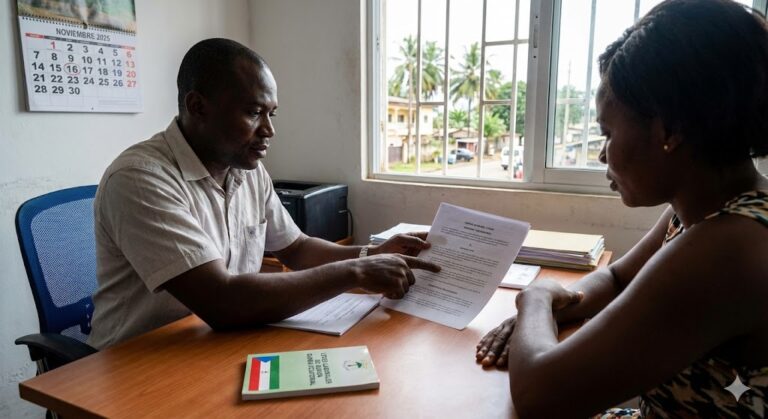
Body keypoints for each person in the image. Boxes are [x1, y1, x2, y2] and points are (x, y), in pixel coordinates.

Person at [475, 0, 768, 417]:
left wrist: (537, 299)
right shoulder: (710, 209)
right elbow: (615, 278)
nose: (601, 155)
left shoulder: (729, 248)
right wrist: (559, 309)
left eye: (607, 132)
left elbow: (541, 394)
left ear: (670, 129)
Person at [88, 38, 440, 349]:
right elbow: (221, 301)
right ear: (198, 107)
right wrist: (356, 271)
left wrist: (371, 252)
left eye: (271, 114)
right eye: (254, 113)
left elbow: (297, 248)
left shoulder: (246, 171)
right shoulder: (140, 178)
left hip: (213, 345)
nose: (269, 130)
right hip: (134, 365)